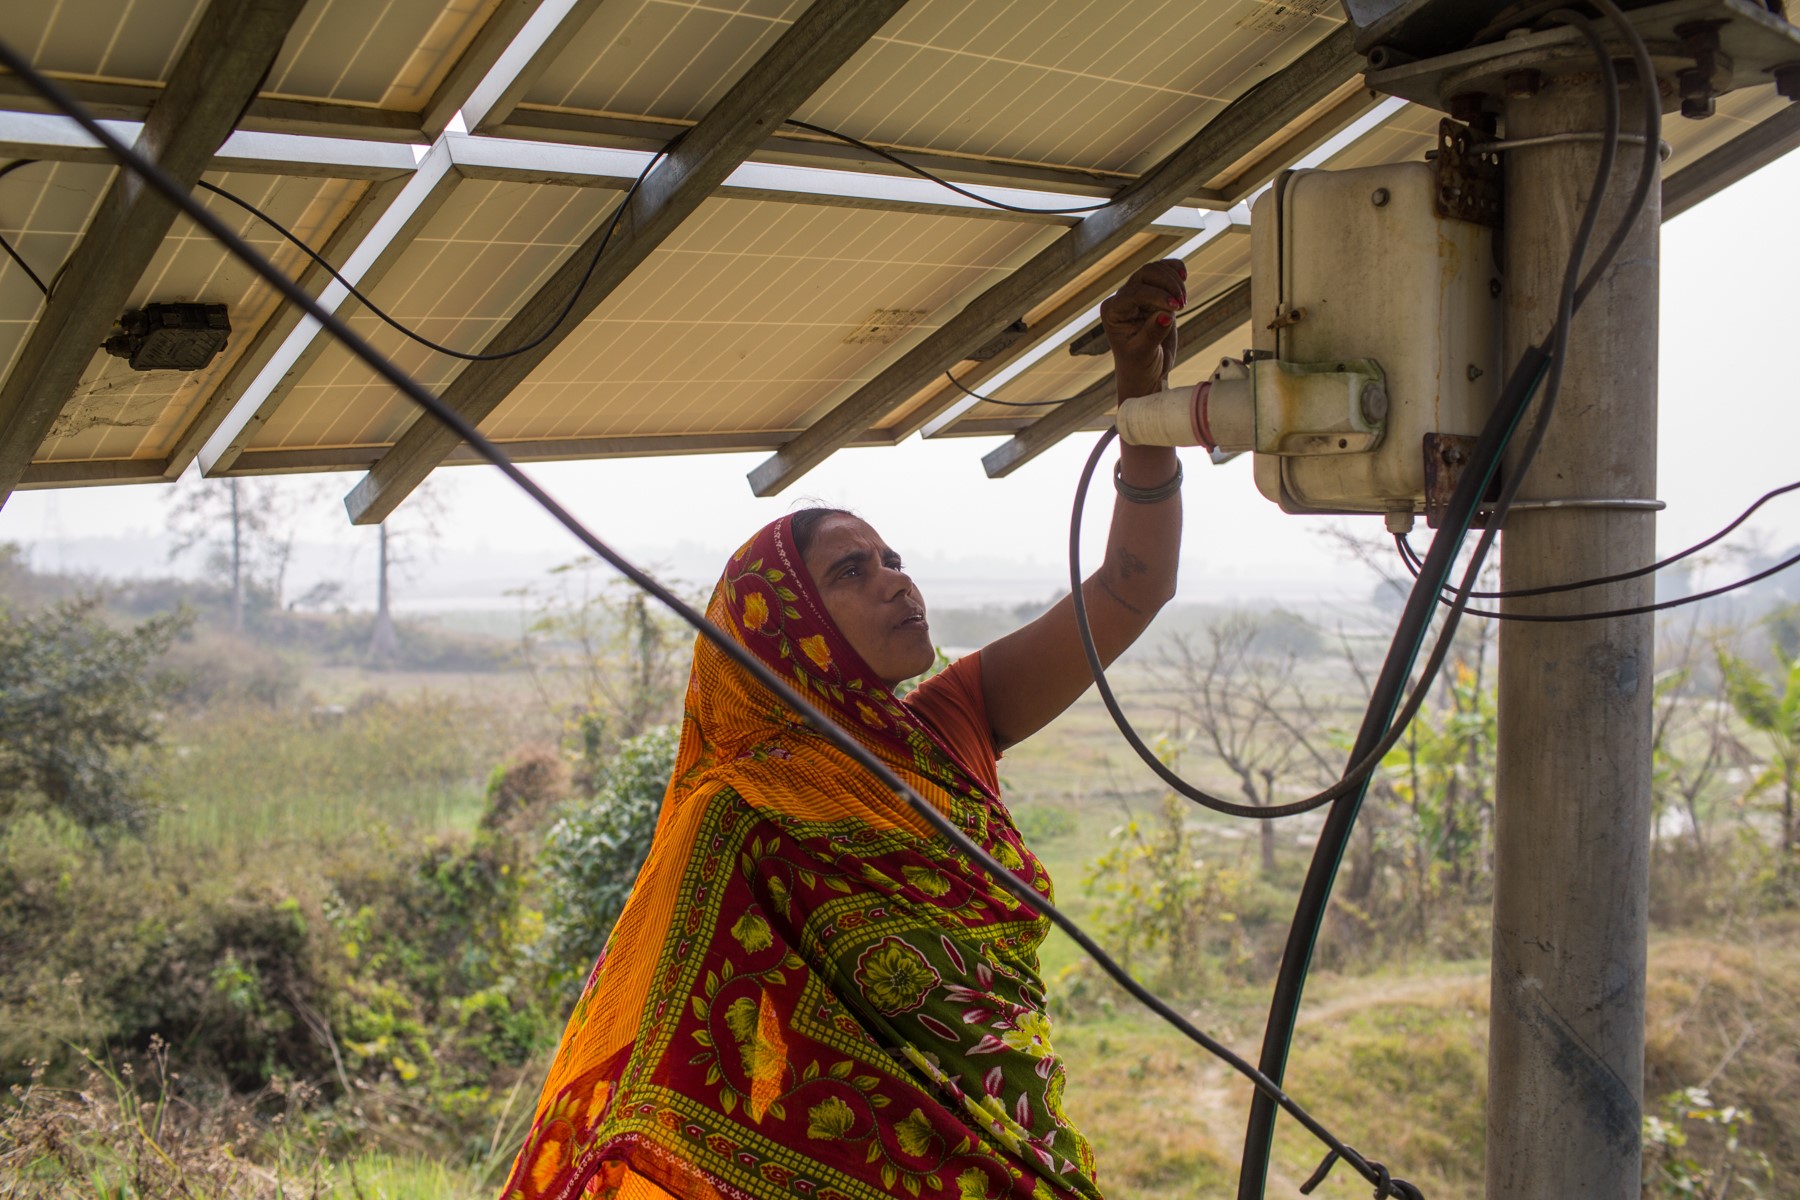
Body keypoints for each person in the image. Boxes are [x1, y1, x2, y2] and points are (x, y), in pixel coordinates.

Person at [500, 260, 1189, 1200]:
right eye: (851, 572)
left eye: (894, 559)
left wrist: (1141, 401)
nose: (896, 581)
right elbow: (662, 1069)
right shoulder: (736, 813)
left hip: (1026, 1159)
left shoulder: (952, 724)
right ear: (786, 628)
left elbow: (1131, 587)